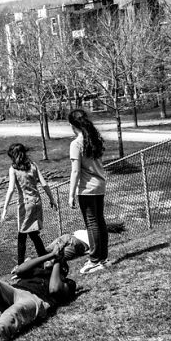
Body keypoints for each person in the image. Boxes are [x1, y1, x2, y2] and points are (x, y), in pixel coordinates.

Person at [67, 109, 109, 274]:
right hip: (100, 185)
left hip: (87, 189)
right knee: (100, 222)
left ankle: (94, 260)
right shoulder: (94, 139)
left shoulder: (76, 143)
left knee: (92, 224)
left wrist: (70, 195)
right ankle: (103, 258)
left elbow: (75, 171)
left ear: (73, 125)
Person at [0, 143, 56, 265]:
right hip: (37, 202)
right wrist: (51, 198)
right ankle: (45, 259)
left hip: (25, 205)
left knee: (22, 235)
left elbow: (10, 190)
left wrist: (5, 208)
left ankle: (20, 265)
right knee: (34, 234)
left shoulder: (13, 169)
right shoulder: (33, 165)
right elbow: (44, 184)